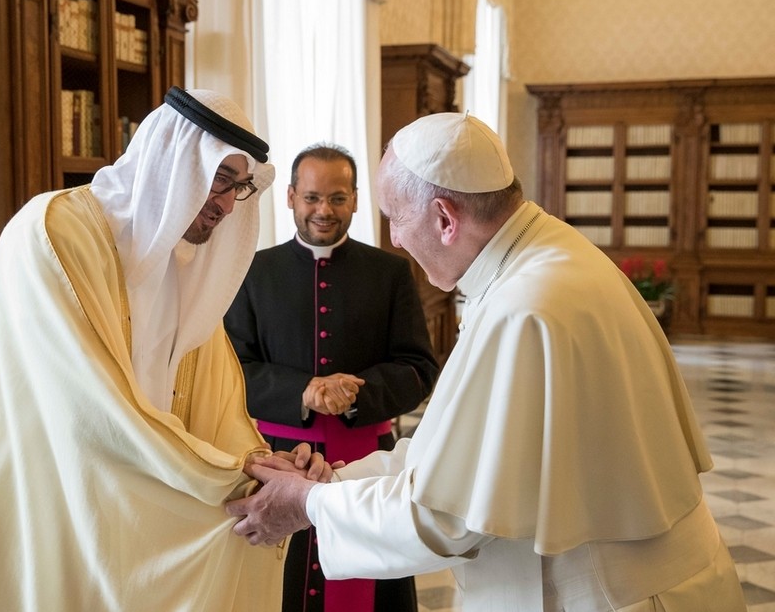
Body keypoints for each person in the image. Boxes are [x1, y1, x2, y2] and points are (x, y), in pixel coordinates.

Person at [227, 113, 747, 611]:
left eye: (397, 219)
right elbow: (467, 456)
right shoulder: (548, 257)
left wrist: (307, 504)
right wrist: (334, 481)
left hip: (614, 594)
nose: (396, 240)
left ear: (445, 218)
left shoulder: (523, 307)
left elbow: (445, 518)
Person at [0, 87, 332, 612]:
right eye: (219, 179)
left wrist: (260, 461)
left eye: (241, 187)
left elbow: (214, 402)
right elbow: (97, 410)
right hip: (33, 500)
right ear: (170, 160)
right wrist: (237, 476)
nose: (228, 204)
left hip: (126, 504)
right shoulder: (53, 234)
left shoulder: (186, 269)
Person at [224, 143, 439, 612]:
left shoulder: (390, 273)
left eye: (338, 198)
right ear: (290, 197)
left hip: (365, 461)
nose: (324, 210)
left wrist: (355, 394)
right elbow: (234, 370)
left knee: (372, 584)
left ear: (356, 200)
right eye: (312, 197)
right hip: (278, 461)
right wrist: (303, 391)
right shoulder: (253, 272)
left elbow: (418, 368)